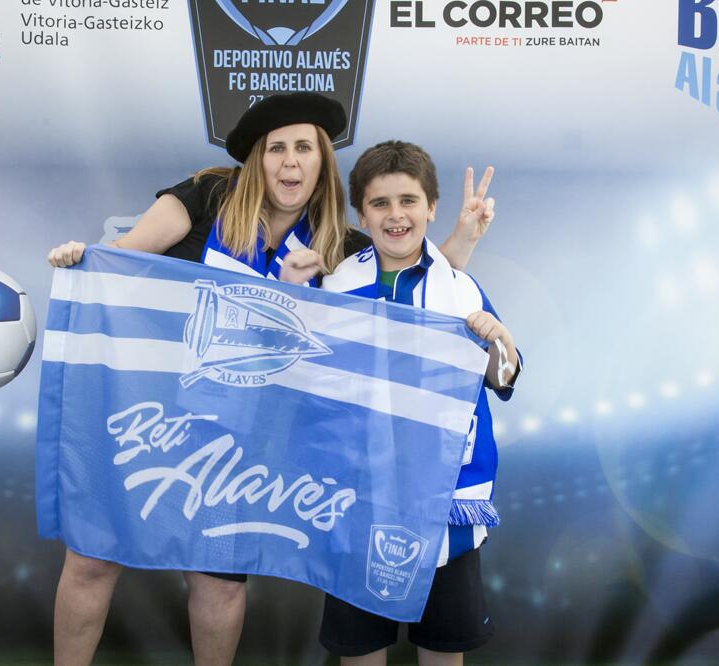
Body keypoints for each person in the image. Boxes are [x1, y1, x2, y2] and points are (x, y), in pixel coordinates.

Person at [45, 93, 497, 666]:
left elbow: (414, 293)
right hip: (155, 412)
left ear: (320, 162)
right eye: (276, 148)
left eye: (303, 147)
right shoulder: (209, 194)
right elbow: (122, 260)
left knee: (219, 582)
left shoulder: (342, 245)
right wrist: (81, 259)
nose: (289, 161)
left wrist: (463, 243)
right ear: (258, 160)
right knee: (92, 557)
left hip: (243, 443)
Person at [282, 140, 520, 666]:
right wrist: (294, 299)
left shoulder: (459, 289)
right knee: (361, 650)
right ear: (360, 213)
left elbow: (503, 376)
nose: (396, 215)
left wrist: (499, 341)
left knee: (442, 651)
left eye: (409, 201)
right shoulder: (338, 286)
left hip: (446, 501)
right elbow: (303, 385)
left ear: (430, 208)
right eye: (381, 203)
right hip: (360, 501)